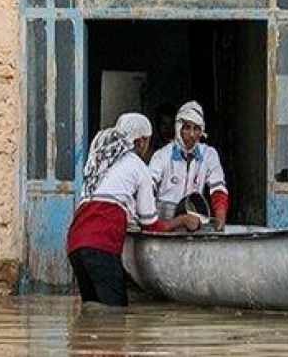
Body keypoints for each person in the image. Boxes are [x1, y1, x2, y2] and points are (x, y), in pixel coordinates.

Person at [66, 113, 201, 307]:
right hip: (101, 245)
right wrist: (183, 220)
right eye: (147, 141)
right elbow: (151, 226)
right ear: (140, 142)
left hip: (75, 243)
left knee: (92, 311)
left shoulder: (98, 164)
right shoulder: (138, 168)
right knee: (116, 315)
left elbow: (113, 204)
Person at [149, 101, 229, 231]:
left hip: (193, 225)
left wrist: (220, 223)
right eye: (187, 127)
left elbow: (218, 189)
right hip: (163, 224)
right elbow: (148, 188)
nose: (192, 134)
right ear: (178, 128)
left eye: (196, 129)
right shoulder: (162, 156)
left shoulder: (209, 155)